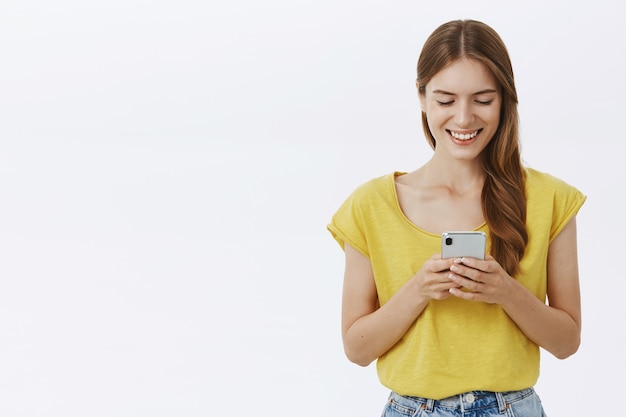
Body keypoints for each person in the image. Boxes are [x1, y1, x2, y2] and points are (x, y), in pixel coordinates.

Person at [327, 19, 585, 417]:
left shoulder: (550, 199)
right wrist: (419, 289)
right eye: (446, 100)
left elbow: (567, 342)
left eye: (483, 100)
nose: (463, 119)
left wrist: (505, 291)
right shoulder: (370, 206)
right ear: (422, 97)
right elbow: (357, 349)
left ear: (505, 99)